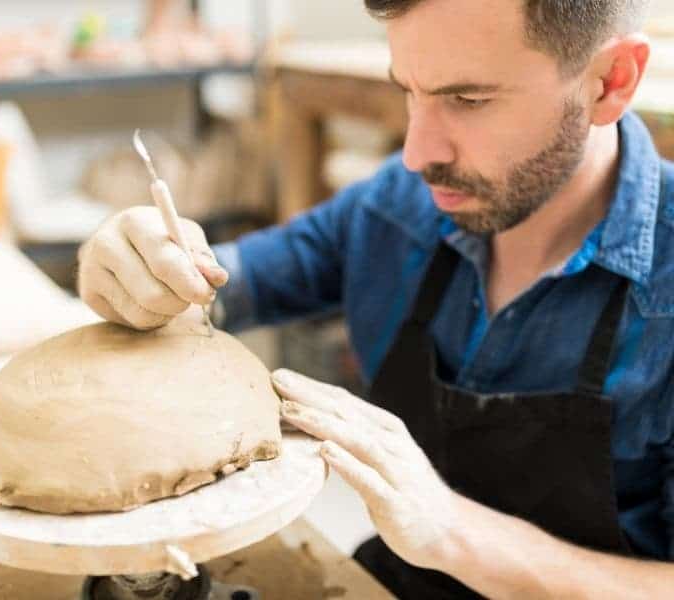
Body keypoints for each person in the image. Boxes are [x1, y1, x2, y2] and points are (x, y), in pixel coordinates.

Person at [78, 0, 674, 596]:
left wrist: (452, 534)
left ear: (609, 82)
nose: (417, 153)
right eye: (411, 92)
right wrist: (135, 266)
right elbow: (222, 283)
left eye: (468, 100)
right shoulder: (401, 202)